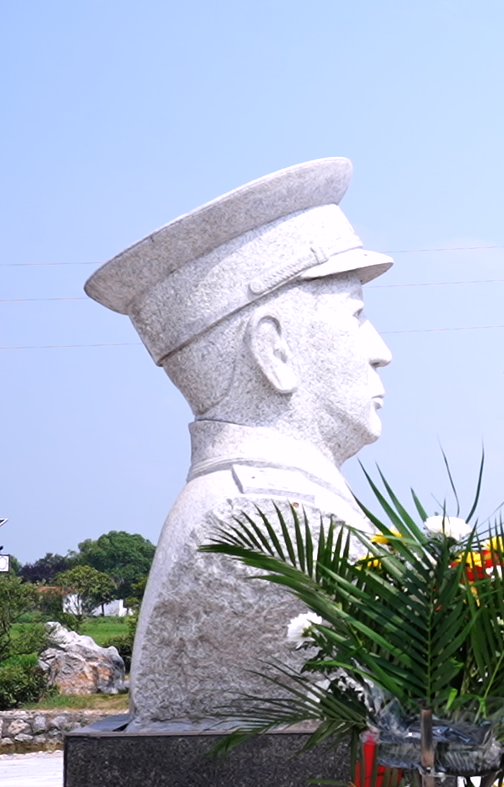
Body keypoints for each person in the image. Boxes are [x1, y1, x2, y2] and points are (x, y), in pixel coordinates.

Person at [82, 159, 396, 725]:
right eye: (356, 317)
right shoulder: (269, 522)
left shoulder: (269, 501)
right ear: (274, 351)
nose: (380, 351)